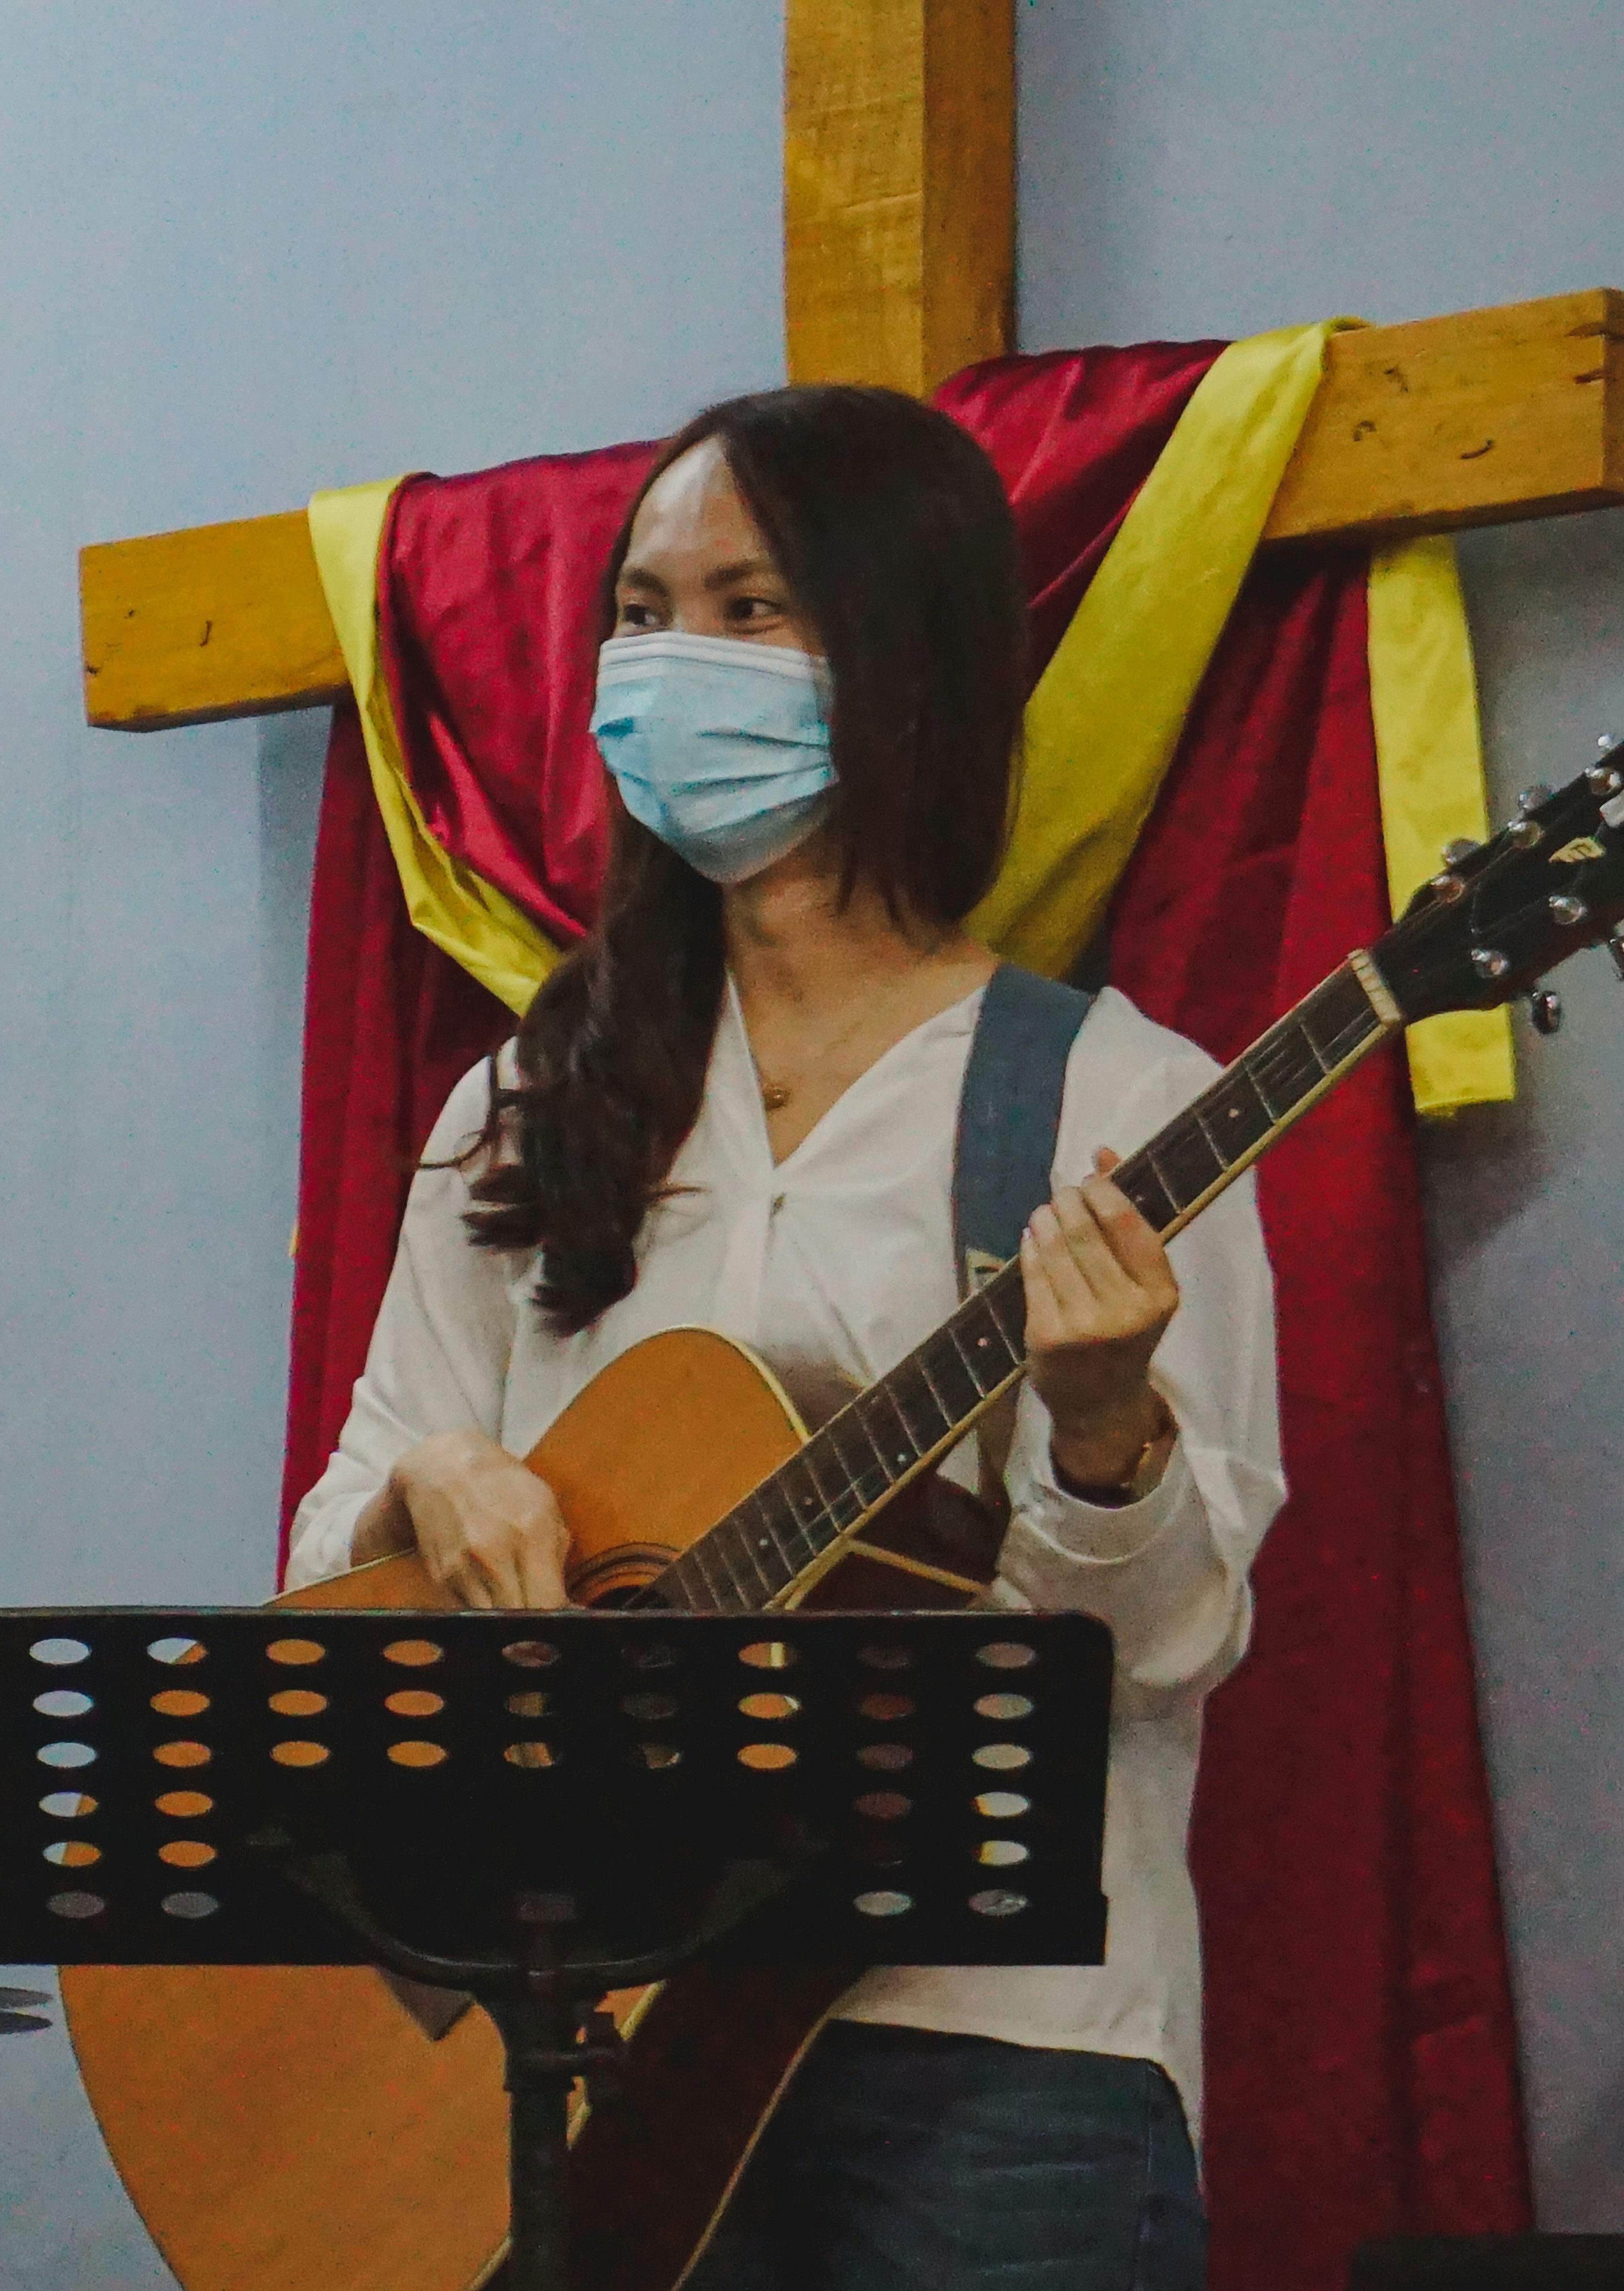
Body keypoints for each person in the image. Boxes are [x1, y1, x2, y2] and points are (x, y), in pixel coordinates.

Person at [281, 385, 1287, 2291]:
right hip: (586, 2039)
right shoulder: (531, 1099)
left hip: (1001, 2055)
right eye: (642, 614)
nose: (676, 663)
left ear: (902, 661)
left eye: (751, 610)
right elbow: (342, 1509)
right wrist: (433, 1480)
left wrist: (1102, 1446)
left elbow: (1173, 1647)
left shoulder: (1122, 1106)